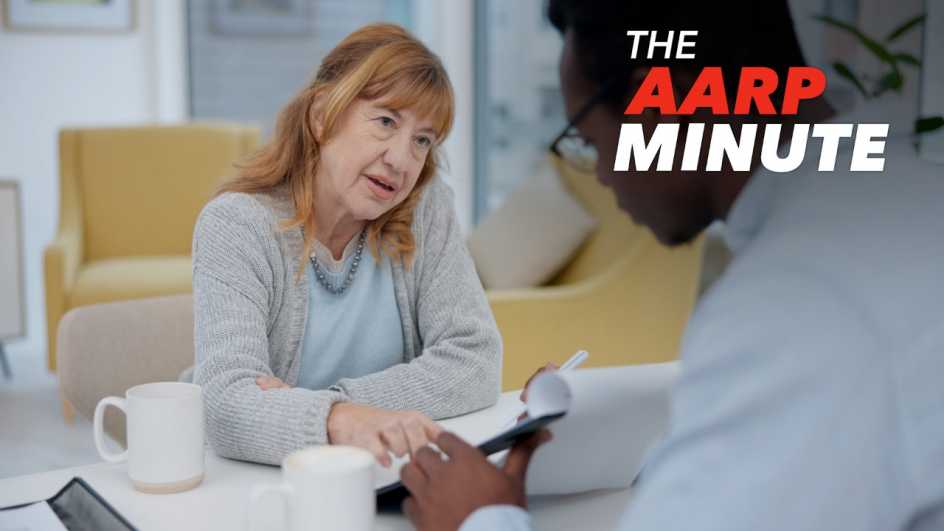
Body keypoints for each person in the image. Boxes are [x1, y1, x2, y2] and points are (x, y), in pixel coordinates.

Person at [398, 2, 944, 530]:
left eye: (587, 139)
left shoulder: (799, 294)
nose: (602, 175)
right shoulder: (901, 192)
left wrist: (479, 519)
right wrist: (595, 411)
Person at [190, 23, 501, 467]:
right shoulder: (237, 225)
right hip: (257, 484)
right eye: (386, 121)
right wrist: (342, 420)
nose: (401, 159)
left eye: (422, 140)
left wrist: (339, 407)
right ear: (322, 116)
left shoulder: (425, 209)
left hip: (376, 475)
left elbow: (477, 361)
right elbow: (225, 406)